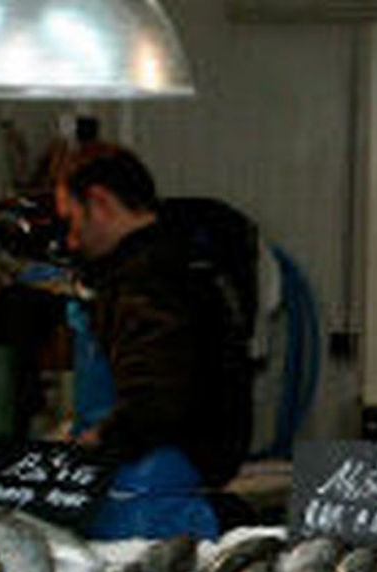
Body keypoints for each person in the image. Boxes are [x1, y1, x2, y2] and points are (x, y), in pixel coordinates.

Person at [55, 143, 252, 539]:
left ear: (99, 202)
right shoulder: (183, 258)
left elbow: (157, 397)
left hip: (149, 497)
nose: (71, 240)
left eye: (71, 220)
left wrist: (101, 438)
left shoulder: (145, 281)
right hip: (174, 477)